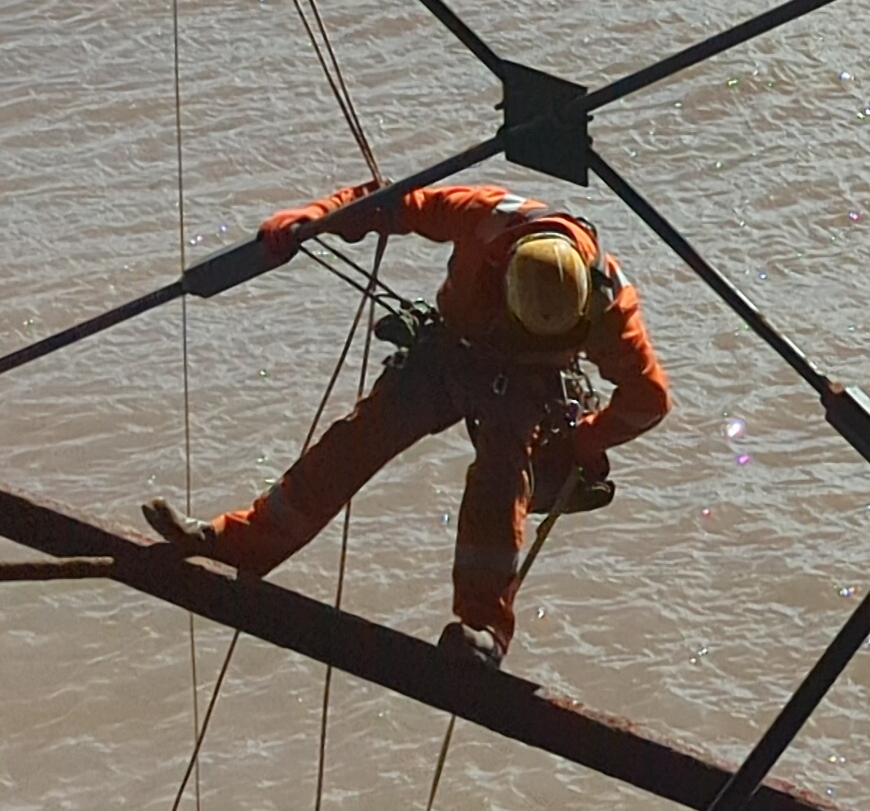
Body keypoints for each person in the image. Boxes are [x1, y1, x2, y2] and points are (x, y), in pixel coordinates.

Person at [145, 180, 669, 660]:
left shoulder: (609, 302)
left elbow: (648, 398)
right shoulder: (486, 216)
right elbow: (395, 202)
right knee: (357, 441)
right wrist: (317, 216)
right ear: (501, 272)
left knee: (499, 483)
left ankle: (484, 631)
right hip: (454, 350)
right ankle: (234, 543)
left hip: (525, 386)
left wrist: (584, 439)